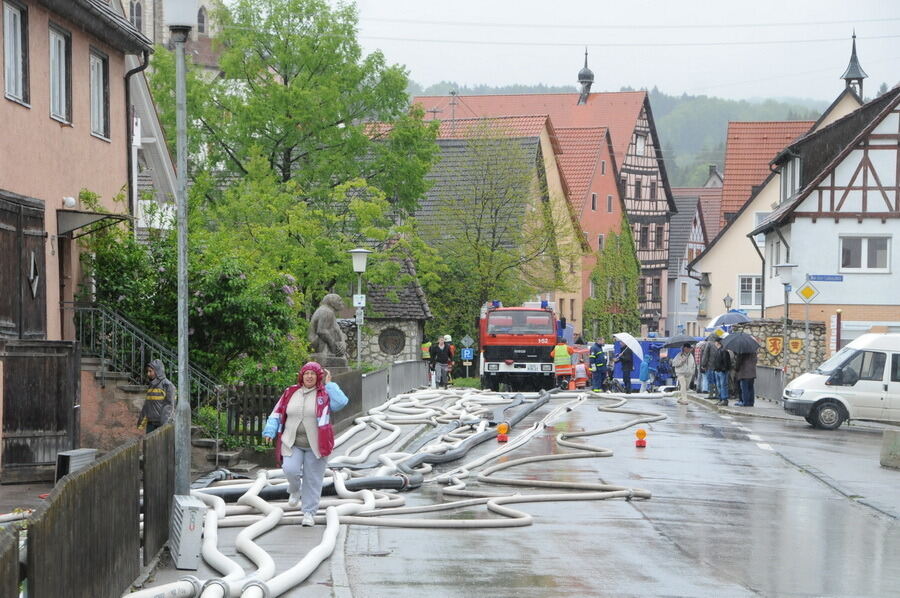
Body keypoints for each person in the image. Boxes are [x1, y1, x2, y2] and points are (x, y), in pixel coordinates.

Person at [262, 362, 349, 527]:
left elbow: (341, 402)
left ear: (318, 377)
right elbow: (277, 411)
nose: (309, 376)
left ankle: (309, 513)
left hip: (317, 445)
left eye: (313, 374)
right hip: (292, 442)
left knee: (313, 480)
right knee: (290, 469)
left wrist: (330, 385)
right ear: (302, 375)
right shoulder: (290, 391)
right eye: (306, 373)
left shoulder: (324, 394)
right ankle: (294, 489)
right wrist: (269, 430)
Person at [137, 359, 175, 433]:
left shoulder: (167, 385)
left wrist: (164, 424)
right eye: (147, 371)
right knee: (149, 444)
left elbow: (170, 406)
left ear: (158, 371)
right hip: (150, 424)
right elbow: (146, 406)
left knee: (161, 444)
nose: (148, 374)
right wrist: (141, 423)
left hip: (162, 424)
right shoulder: (151, 386)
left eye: (150, 371)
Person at [711, 337, 732, 406]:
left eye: (715, 342)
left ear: (717, 342)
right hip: (718, 370)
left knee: (723, 385)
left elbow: (726, 362)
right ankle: (721, 399)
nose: (714, 343)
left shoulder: (723, 351)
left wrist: (724, 369)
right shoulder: (718, 350)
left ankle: (724, 399)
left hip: (722, 371)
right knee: (719, 386)